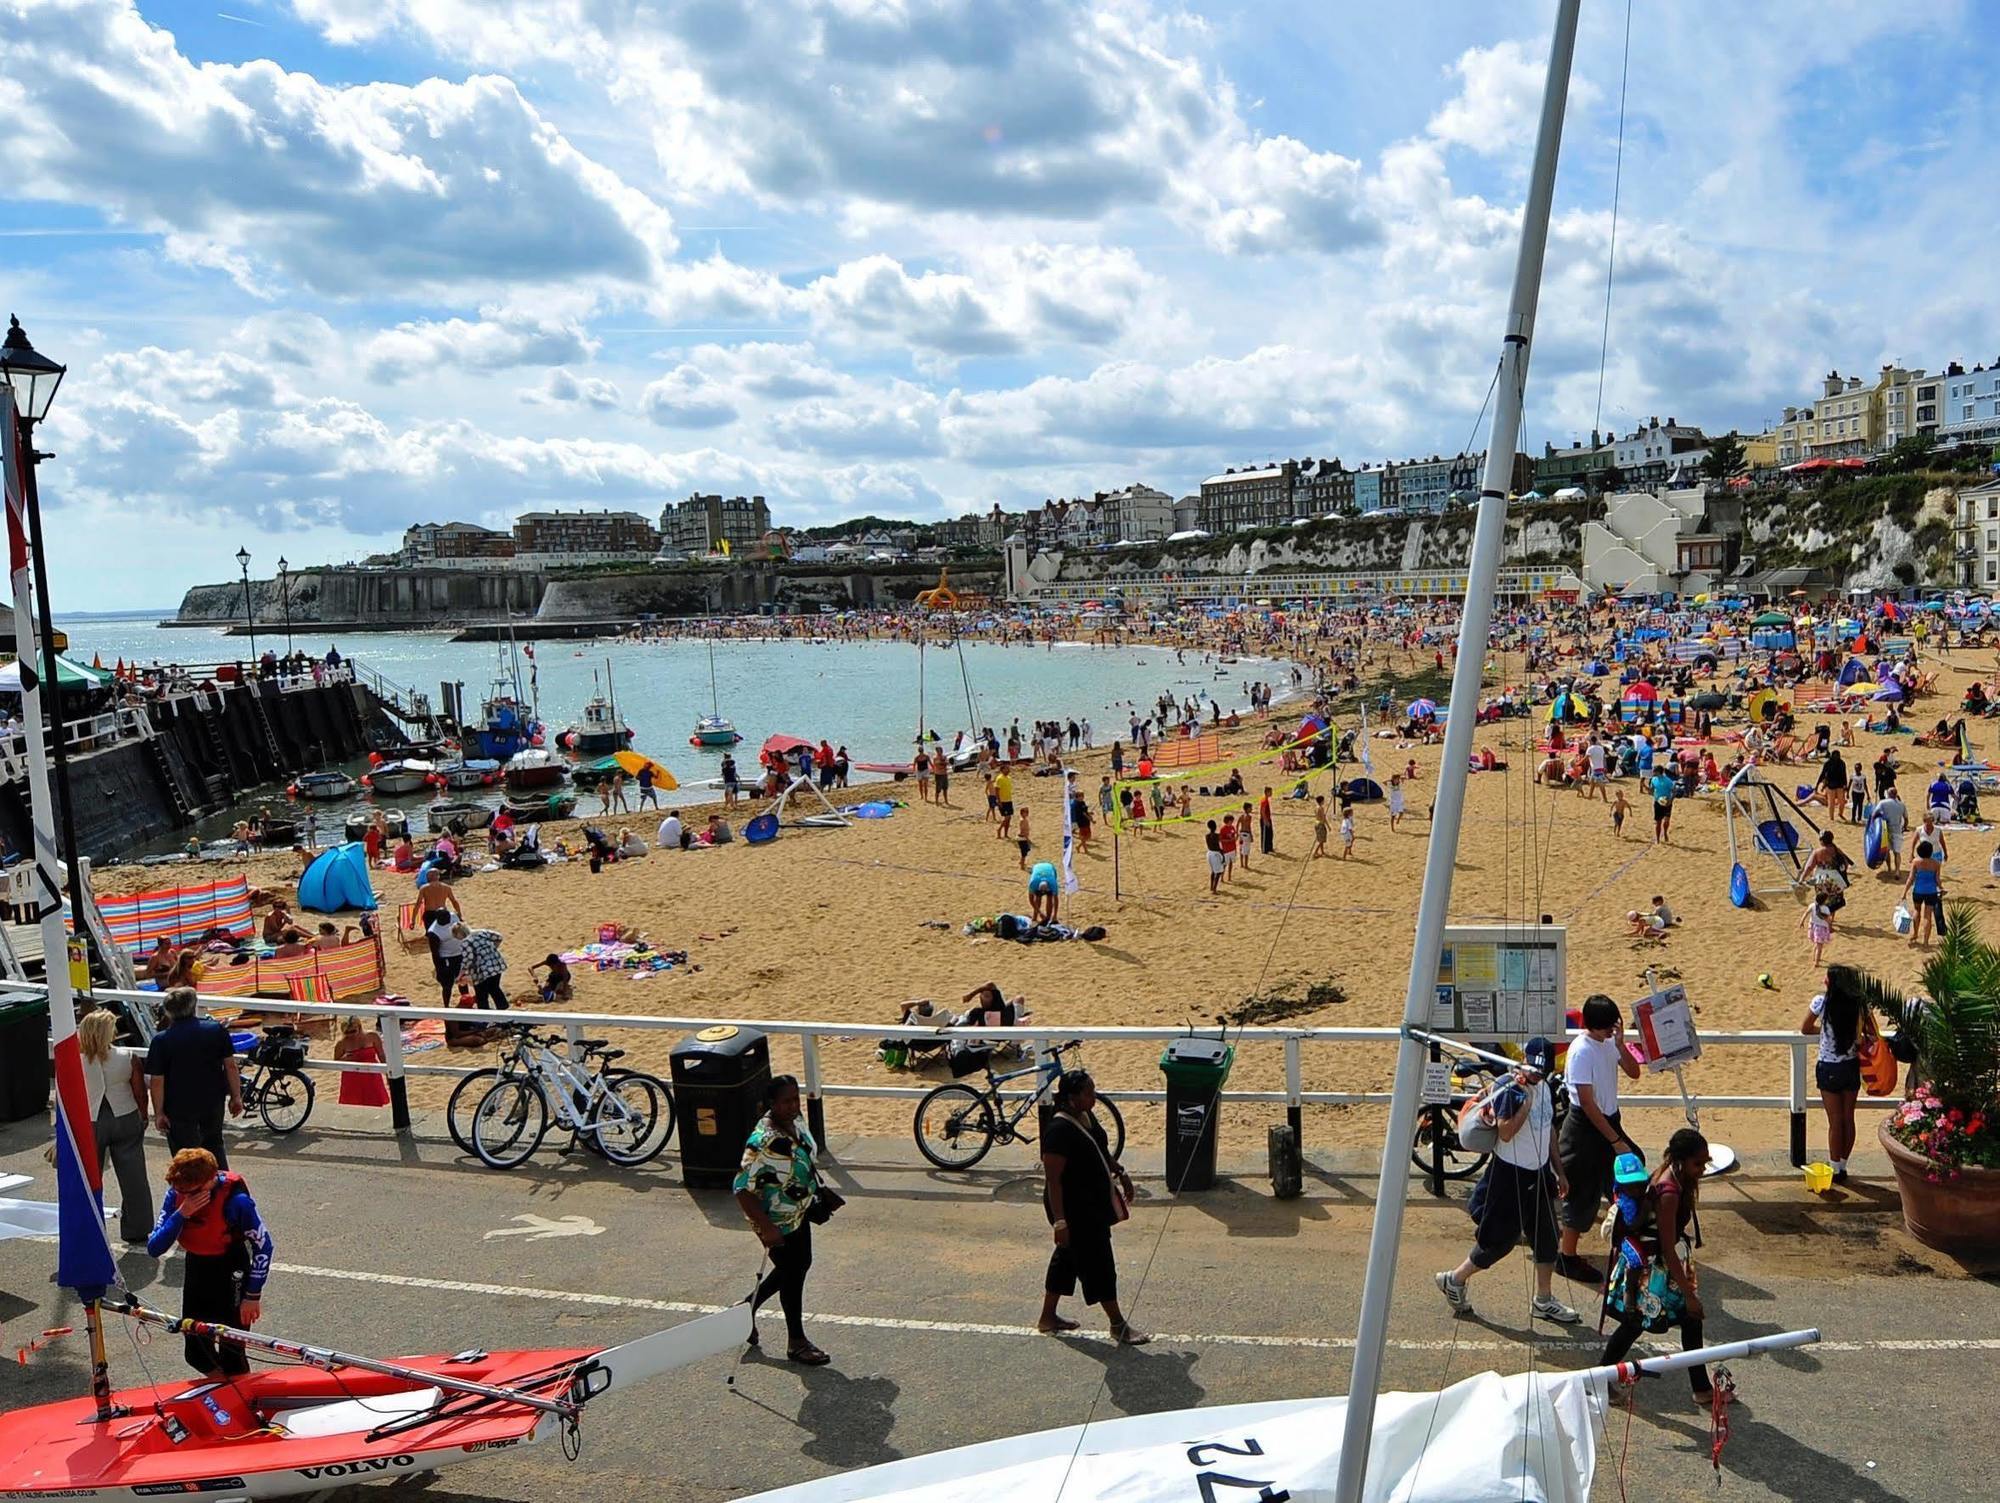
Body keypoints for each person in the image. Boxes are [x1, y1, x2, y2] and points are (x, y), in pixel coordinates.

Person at [1435, 1036, 1578, 1325]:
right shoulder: (1509, 1088)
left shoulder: (1546, 1088)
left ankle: (1544, 1299)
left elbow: (1548, 1129)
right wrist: (1524, 1105)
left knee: (1548, 1238)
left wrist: (1559, 1171)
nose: (1537, 1075)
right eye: (1533, 1070)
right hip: (1509, 1174)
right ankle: (1455, 1278)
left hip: (1538, 1173)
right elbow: (1506, 1133)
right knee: (1497, 1242)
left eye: (1542, 1071)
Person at [1600, 1130, 1716, 1410]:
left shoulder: (1673, 1176)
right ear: (1680, 1161)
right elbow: (1666, 1246)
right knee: (1634, 1324)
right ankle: (1600, 1377)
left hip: (1659, 1266)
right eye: (1697, 1164)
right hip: (1652, 1270)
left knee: (1688, 1321)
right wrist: (1688, 1293)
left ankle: (1701, 1388)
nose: (1701, 1170)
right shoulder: (1669, 1193)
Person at [1038, 1069, 1148, 1344]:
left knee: (1067, 1258)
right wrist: (1060, 1222)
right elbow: (1053, 1181)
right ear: (1072, 1098)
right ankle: (1117, 1324)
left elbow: (1099, 1147)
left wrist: (1120, 1171)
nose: (1094, 1096)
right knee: (1100, 1262)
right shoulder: (1058, 1131)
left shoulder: (1085, 1116)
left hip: (1090, 1202)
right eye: (1088, 1092)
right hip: (1074, 1208)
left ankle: (1047, 1317)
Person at [146, 1148, 274, 1378]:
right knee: (196, 1352)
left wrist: (252, 1296)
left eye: (190, 1191)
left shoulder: (237, 1202)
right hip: (198, 1268)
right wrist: (182, 1214)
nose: (184, 1195)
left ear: (210, 1181)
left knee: (232, 1354)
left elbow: (264, 1245)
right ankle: (223, 1389)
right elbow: (155, 1247)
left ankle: (238, 1398)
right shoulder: (177, 1197)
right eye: (180, 1190)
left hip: (231, 1270)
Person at [733, 1075, 831, 1365]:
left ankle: (746, 1309)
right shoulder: (763, 1142)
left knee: (798, 1266)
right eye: (786, 1101)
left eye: (795, 1099)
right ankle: (797, 1342)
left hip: (798, 1212)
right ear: (771, 1104)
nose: (793, 1106)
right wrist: (766, 1227)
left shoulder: (795, 1123)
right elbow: (741, 1188)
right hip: (775, 1220)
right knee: (793, 1274)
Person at [1555, 993, 1642, 1285]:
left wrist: (1620, 1045)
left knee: (1629, 1177)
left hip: (1608, 1121)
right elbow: (1587, 1103)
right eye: (1607, 1027)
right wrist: (1616, 1141)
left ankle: (1625, 1239)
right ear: (1592, 1025)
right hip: (1584, 1128)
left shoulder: (1607, 1043)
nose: (1611, 1030)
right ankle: (1567, 1257)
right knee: (1582, 1191)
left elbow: (1634, 1072)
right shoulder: (1581, 1050)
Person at [80, 1007, 154, 1244]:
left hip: (90, 1120)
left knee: (89, 1177)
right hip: (125, 1115)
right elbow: (139, 1091)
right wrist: (143, 1115)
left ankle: (89, 1227)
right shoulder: (126, 1055)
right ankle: (137, 1228)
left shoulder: (74, 1060)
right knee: (134, 1176)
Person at [145, 987, 241, 1168]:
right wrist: (236, 1096)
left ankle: (192, 1193)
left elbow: (157, 1080)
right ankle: (222, 1190)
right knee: (214, 1146)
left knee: (185, 1156)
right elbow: (230, 1065)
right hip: (212, 1100)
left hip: (178, 1106)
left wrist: (159, 1113)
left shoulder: (161, 1041)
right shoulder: (215, 1030)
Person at [1802, 968, 1864, 1183]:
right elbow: (1870, 1033)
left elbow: (1805, 1028)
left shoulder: (1822, 1002)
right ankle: (1844, 1165)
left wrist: (1826, 1033)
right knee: (1849, 1118)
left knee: (1835, 1122)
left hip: (1829, 1067)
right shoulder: (1857, 1004)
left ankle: (1835, 1167)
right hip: (1851, 1065)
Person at [333, 1016, 392, 1108]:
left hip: (372, 1074)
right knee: (353, 1105)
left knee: (375, 1102)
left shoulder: (372, 1036)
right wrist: (346, 1059)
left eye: (353, 1031)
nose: (350, 1035)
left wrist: (387, 1072)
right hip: (352, 1076)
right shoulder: (342, 1043)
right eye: (347, 1032)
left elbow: (381, 1055)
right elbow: (335, 1063)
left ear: (359, 1027)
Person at [1902, 838, 1945, 948]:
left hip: (1918, 891)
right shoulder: (1936, 864)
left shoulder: (1916, 862)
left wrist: (1904, 892)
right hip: (1931, 891)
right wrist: (1941, 888)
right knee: (1928, 916)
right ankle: (1926, 941)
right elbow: (1937, 879)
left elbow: (1911, 878)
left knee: (1917, 911)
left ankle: (1915, 934)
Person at [461, 924, 511, 1010]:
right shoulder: (482, 932)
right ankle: (504, 1010)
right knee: (495, 988)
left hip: (481, 970)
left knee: (481, 994)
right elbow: (498, 937)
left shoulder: (466, 942)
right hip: (495, 964)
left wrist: (461, 972)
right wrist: (491, 949)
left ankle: (484, 1017)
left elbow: (468, 959)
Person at [1027, 859, 1060, 924]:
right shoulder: (1033, 883)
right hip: (1037, 868)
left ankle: (1048, 917)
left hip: (1050, 867)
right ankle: (1035, 916)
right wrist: (1040, 913)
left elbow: (1055, 900)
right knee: (1038, 898)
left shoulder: (1053, 883)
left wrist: (1055, 915)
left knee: (1049, 897)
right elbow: (1031, 900)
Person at [1204, 819, 1224, 894]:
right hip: (1216, 854)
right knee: (1218, 872)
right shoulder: (1217, 836)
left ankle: (1211, 887)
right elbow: (1219, 846)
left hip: (1209, 853)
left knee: (1213, 871)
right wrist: (1222, 853)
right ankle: (1214, 889)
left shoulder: (1207, 836)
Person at [995, 768, 1015, 838]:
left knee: (1009, 818)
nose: (1008, 770)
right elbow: (997, 790)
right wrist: (998, 801)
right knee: (1007, 817)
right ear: (1002, 770)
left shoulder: (1009, 778)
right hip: (1003, 801)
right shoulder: (999, 778)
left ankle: (1006, 834)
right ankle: (999, 830)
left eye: (1008, 769)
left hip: (1009, 800)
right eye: (1006, 769)